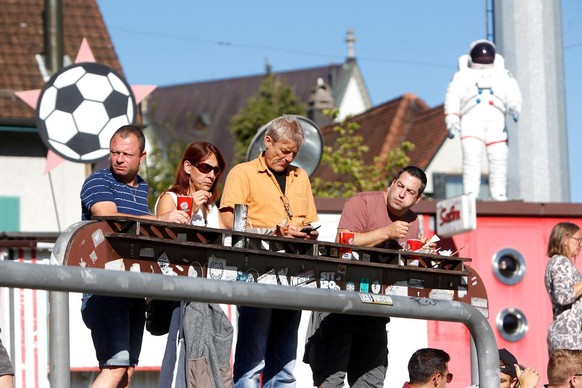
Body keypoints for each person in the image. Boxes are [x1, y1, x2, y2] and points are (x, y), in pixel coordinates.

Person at [80, 125, 189, 387]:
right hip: (103, 286)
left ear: (142, 157)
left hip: (133, 289)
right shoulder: (98, 180)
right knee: (115, 367)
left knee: (126, 372)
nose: (118, 158)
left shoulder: (142, 188)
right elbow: (108, 215)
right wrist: (160, 219)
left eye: (126, 154)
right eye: (114, 152)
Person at [305, 166, 428, 387]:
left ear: (418, 199)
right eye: (399, 186)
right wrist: (387, 232)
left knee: (371, 382)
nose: (401, 193)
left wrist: (421, 256)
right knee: (330, 381)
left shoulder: (413, 221)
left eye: (410, 191)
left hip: (376, 310)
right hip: (340, 305)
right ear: (391, 184)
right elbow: (342, 241)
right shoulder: (362, 202)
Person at [219, 114, 319, 387]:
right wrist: (274, 231)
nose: (288, 158)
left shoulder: (301, 177)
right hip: (256, 271)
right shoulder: (243, 173)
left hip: (295, 274)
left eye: (294, 153)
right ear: (267, 141)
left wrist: (307, 231)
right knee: (252, 362)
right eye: (284, 151)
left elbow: (310, 220)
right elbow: (228, 222)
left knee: (285, 366)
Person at [155, 141, 234, 387]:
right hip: (177, 294)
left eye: (216, 170)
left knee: (210, 354)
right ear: (188, 167)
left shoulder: (213, 208)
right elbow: (165, 241)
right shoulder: (170, 197)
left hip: (208, 292)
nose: (211, 175)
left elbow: (225, 244)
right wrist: (192, 205)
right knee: (181, 355)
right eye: (205, 167)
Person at [444, 39, 522, 201]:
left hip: (496, 120)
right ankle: (471, 192)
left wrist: (514, 106)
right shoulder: (462, 75)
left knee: (499, 156)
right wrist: (452, 118)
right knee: (471, 156)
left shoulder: (503, 74)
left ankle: (498, 193)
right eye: (479, 55)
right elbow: (453, 96)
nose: (483, 58)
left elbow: (513, 92)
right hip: (471, 120)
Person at [544, 222, 582, 355]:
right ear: (565, 240)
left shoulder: (560, 263)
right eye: (578, 239)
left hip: (569, 336)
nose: (580, 244)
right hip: (569, 338)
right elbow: (563, 296)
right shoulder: (560, 261)